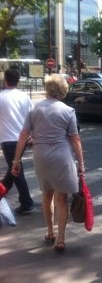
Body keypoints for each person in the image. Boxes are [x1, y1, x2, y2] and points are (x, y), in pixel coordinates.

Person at [12, 74, 85, 253]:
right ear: (62, 91)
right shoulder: (68, 111)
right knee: (61, 198)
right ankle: (60, 239)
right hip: (61, 157)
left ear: (47, 89)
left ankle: (50, 231)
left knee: (46, 195)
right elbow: (75, 139)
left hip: (41, 157)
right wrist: (81, 163)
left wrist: (16, 160)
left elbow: (23, 136)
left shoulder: (34, 110)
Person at [0, 67, 35, 213]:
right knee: (13, 169)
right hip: (23, 139)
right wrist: (32, 135)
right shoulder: (24, 97)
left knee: (15, 170)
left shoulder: (1, 97)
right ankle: (7, 193)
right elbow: (32, 117)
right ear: (18, 80)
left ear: (5, 79)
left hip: (8, 139)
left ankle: (26, 202)